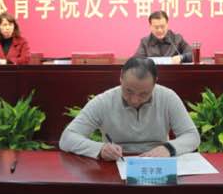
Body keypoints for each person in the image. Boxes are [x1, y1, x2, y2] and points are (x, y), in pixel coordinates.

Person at [59, 56, 200, 160]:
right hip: (116, 163)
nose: (135, 100)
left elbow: (192, 136)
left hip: (157, 161)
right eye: (128, 91)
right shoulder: (104, 101)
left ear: (155, 83)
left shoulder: (167, 97)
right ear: (120, 78)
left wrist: (169, 148)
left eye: (144, 94)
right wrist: (100, 149)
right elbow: (67, 138)